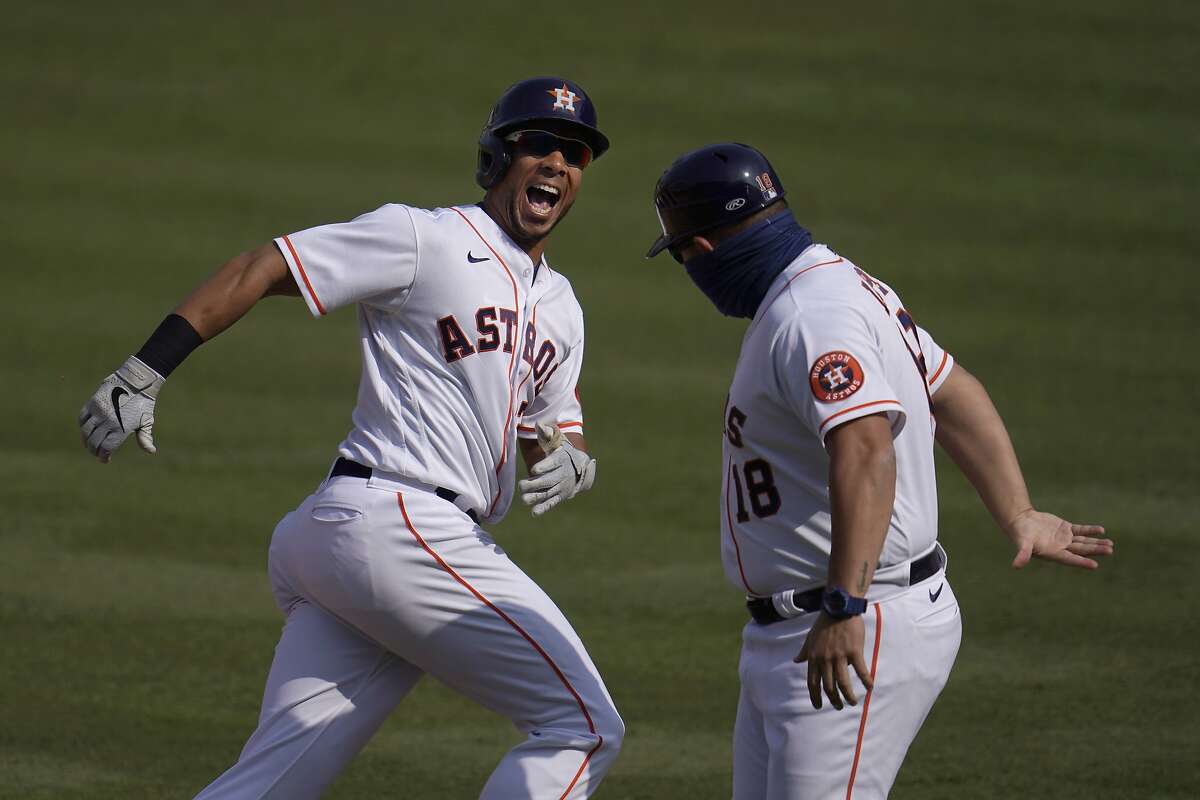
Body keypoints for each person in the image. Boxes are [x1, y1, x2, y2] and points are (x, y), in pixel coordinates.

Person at [77, 76, 623, 799]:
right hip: (399, 528)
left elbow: (547, 429)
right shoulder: (424, 237)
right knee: (583, 724)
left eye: (576, 153)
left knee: (271, 784)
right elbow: (263, 266)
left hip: (354, 549)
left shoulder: (562, 304)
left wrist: (571, 461)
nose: (558, 163)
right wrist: (146, 368)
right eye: (540, 144)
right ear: (499, 156)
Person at [645, 142, 1113, 799]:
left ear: (705, 248)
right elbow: (951, 392)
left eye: (686, 255)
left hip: (857, 622)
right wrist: (1018, 511)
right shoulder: (831, 287)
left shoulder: (813, 314)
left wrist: (844, 602)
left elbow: (866, 448)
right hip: (807, 629)